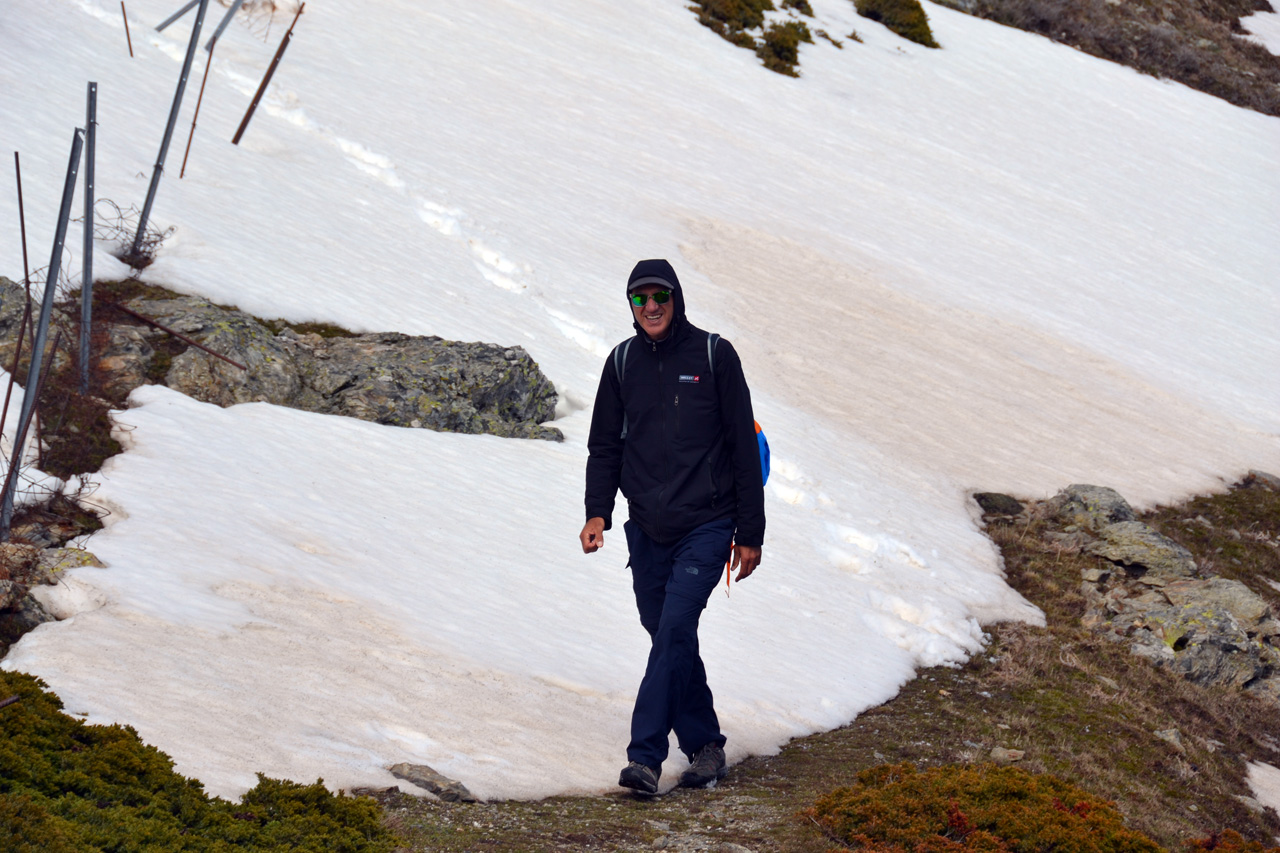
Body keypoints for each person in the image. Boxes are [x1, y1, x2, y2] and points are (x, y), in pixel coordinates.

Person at [580, 258, 765, 795]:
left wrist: (749, 534)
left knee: (675, 628)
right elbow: (605, 446)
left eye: (660, 295)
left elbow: (742, 450)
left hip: (707, 524)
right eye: (640, 298)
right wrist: (598, 512)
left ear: (677, 297)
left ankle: (645, 758)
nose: (651, 306)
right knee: (668, 636)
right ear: (631, 306)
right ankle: (707, 746)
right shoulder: (621, 364)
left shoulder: (714, 355)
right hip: (648, 529)